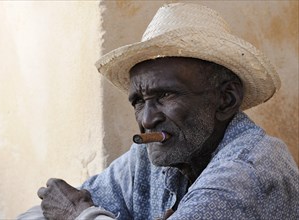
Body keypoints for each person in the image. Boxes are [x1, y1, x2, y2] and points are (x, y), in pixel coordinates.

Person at [18, 3, 299, 220]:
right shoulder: (153, 156)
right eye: (138, 101)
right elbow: (38, 214)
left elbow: (69, 209)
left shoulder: (247, 172)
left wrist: (80, 213)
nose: (147, 118)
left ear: (225, 100)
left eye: (165, 94)